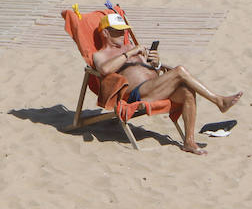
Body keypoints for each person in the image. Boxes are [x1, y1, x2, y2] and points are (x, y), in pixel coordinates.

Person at [90, 12, 242, 155]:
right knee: (180, 70)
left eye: (124, 30)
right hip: (136, 94)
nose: (123, 34)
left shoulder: (130, 47)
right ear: (106, 33)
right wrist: (130, 53)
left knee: (187, 92)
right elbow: (104, 69)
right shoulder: (101, 55)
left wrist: (156, 64)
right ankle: (218, 100)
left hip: (154, 87)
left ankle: (189, 142)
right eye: (118, 31)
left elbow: (154, 72)